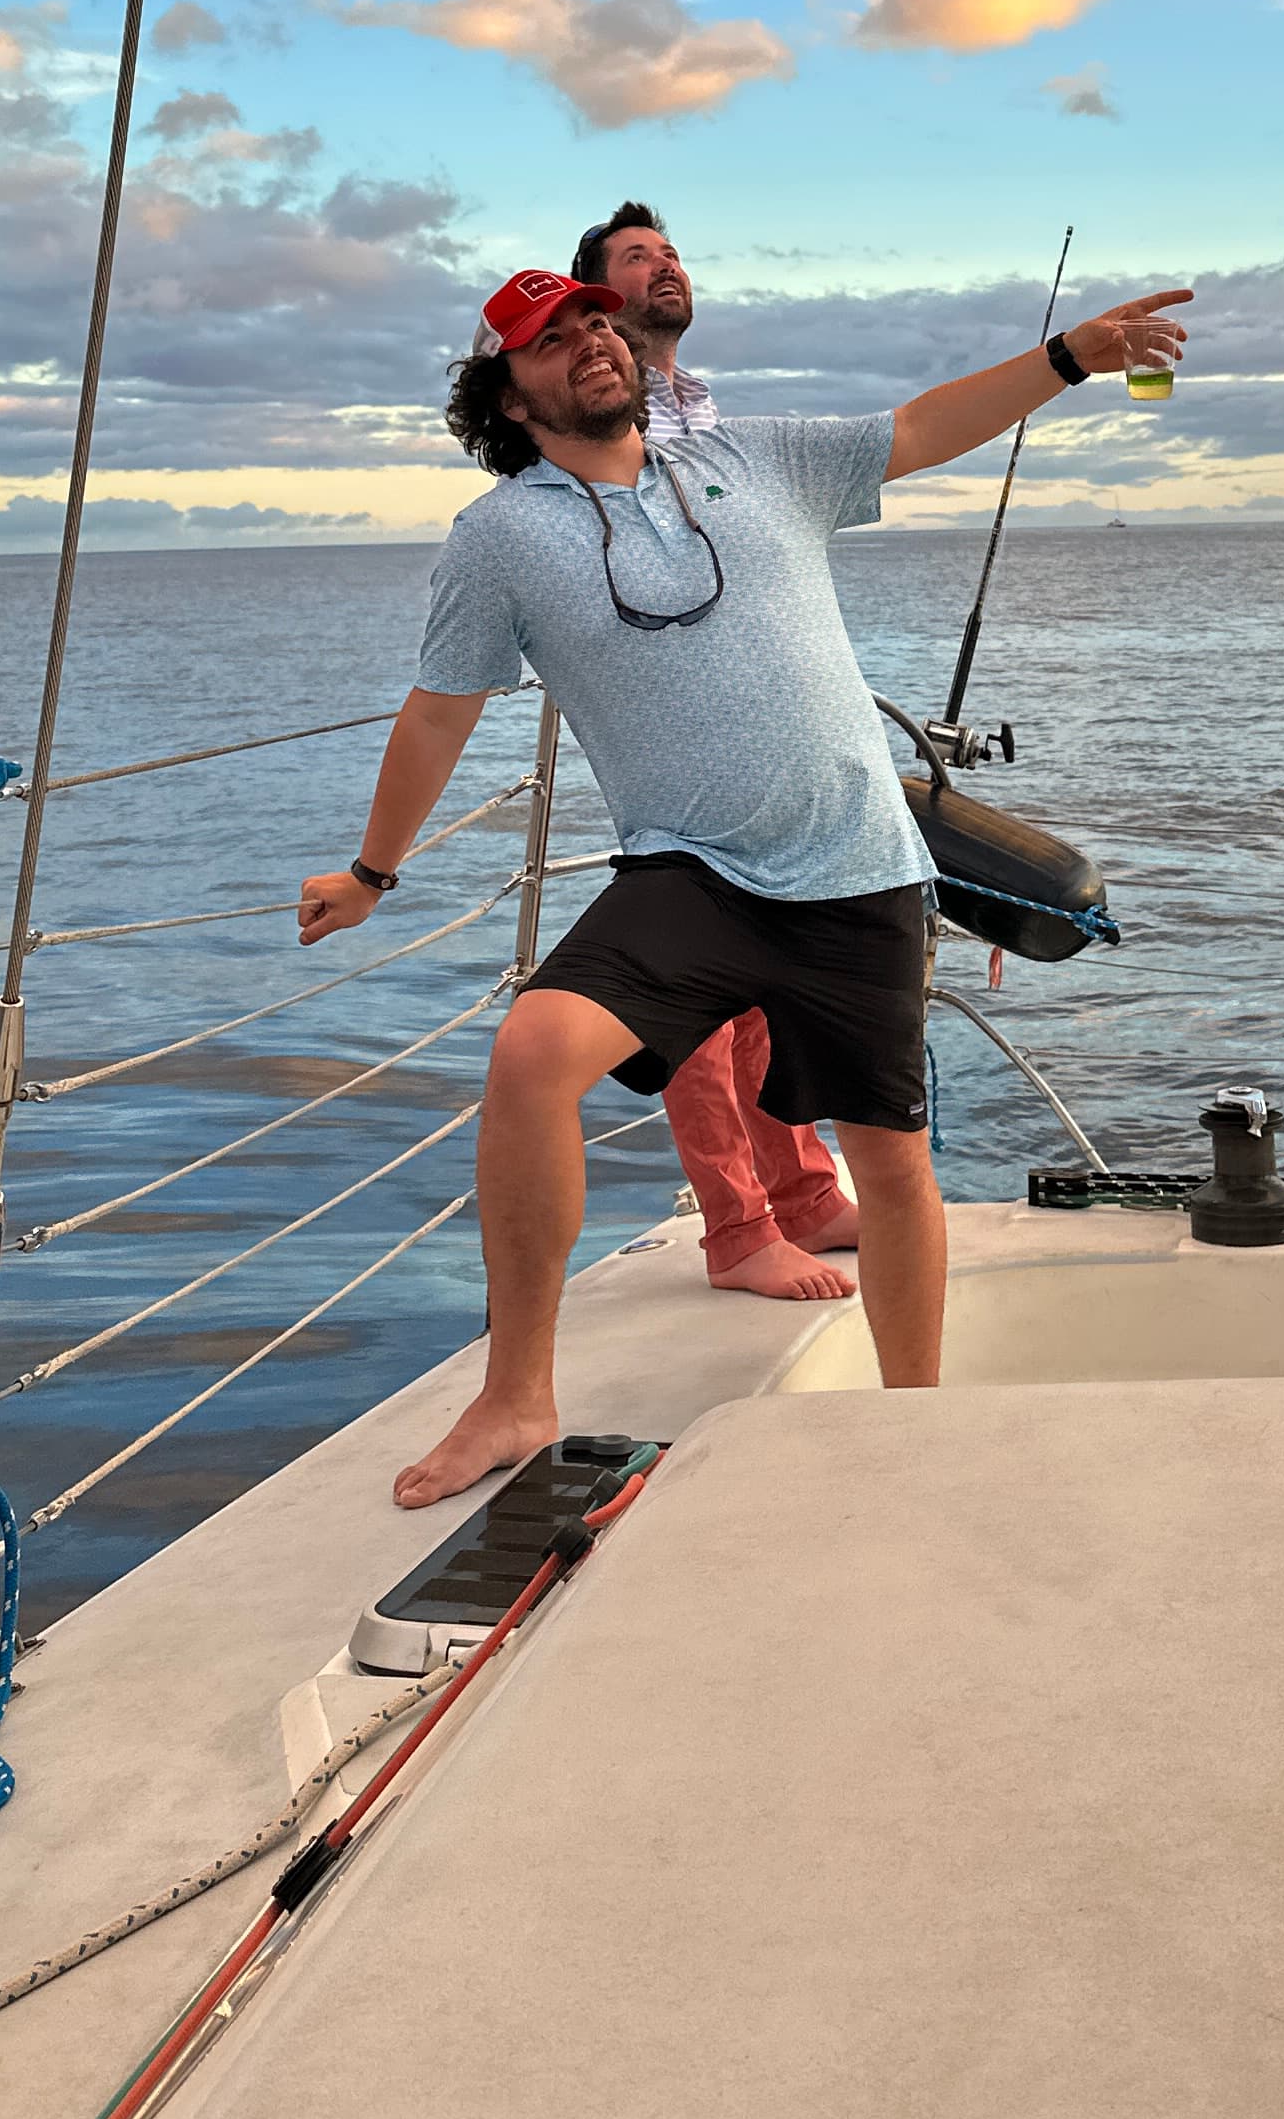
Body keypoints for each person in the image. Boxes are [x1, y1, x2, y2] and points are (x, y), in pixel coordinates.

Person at [300, 260, 1191, 1504]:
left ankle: (916, 1424)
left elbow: (920, 428)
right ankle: (515, 1397)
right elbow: (441, 711)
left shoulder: (755, 457)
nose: (591, 340)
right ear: (506, 397)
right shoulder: (498, 541)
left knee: (891, 1165)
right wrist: (372, 872)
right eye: (551, 340)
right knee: (532, 1055)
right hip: (694, 872)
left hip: (859, 866)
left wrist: (1065, 360)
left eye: (596, 322)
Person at [569, 195, 861, 1305]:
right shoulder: (595, 407)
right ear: (598, 296)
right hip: (675, 735)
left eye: (673, 253)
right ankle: (737, 1230)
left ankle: (801, 1191)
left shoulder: (699, 406)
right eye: (638, 257)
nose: (666, 267)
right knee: (699, 996)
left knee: (773, 985)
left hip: (755, 731)